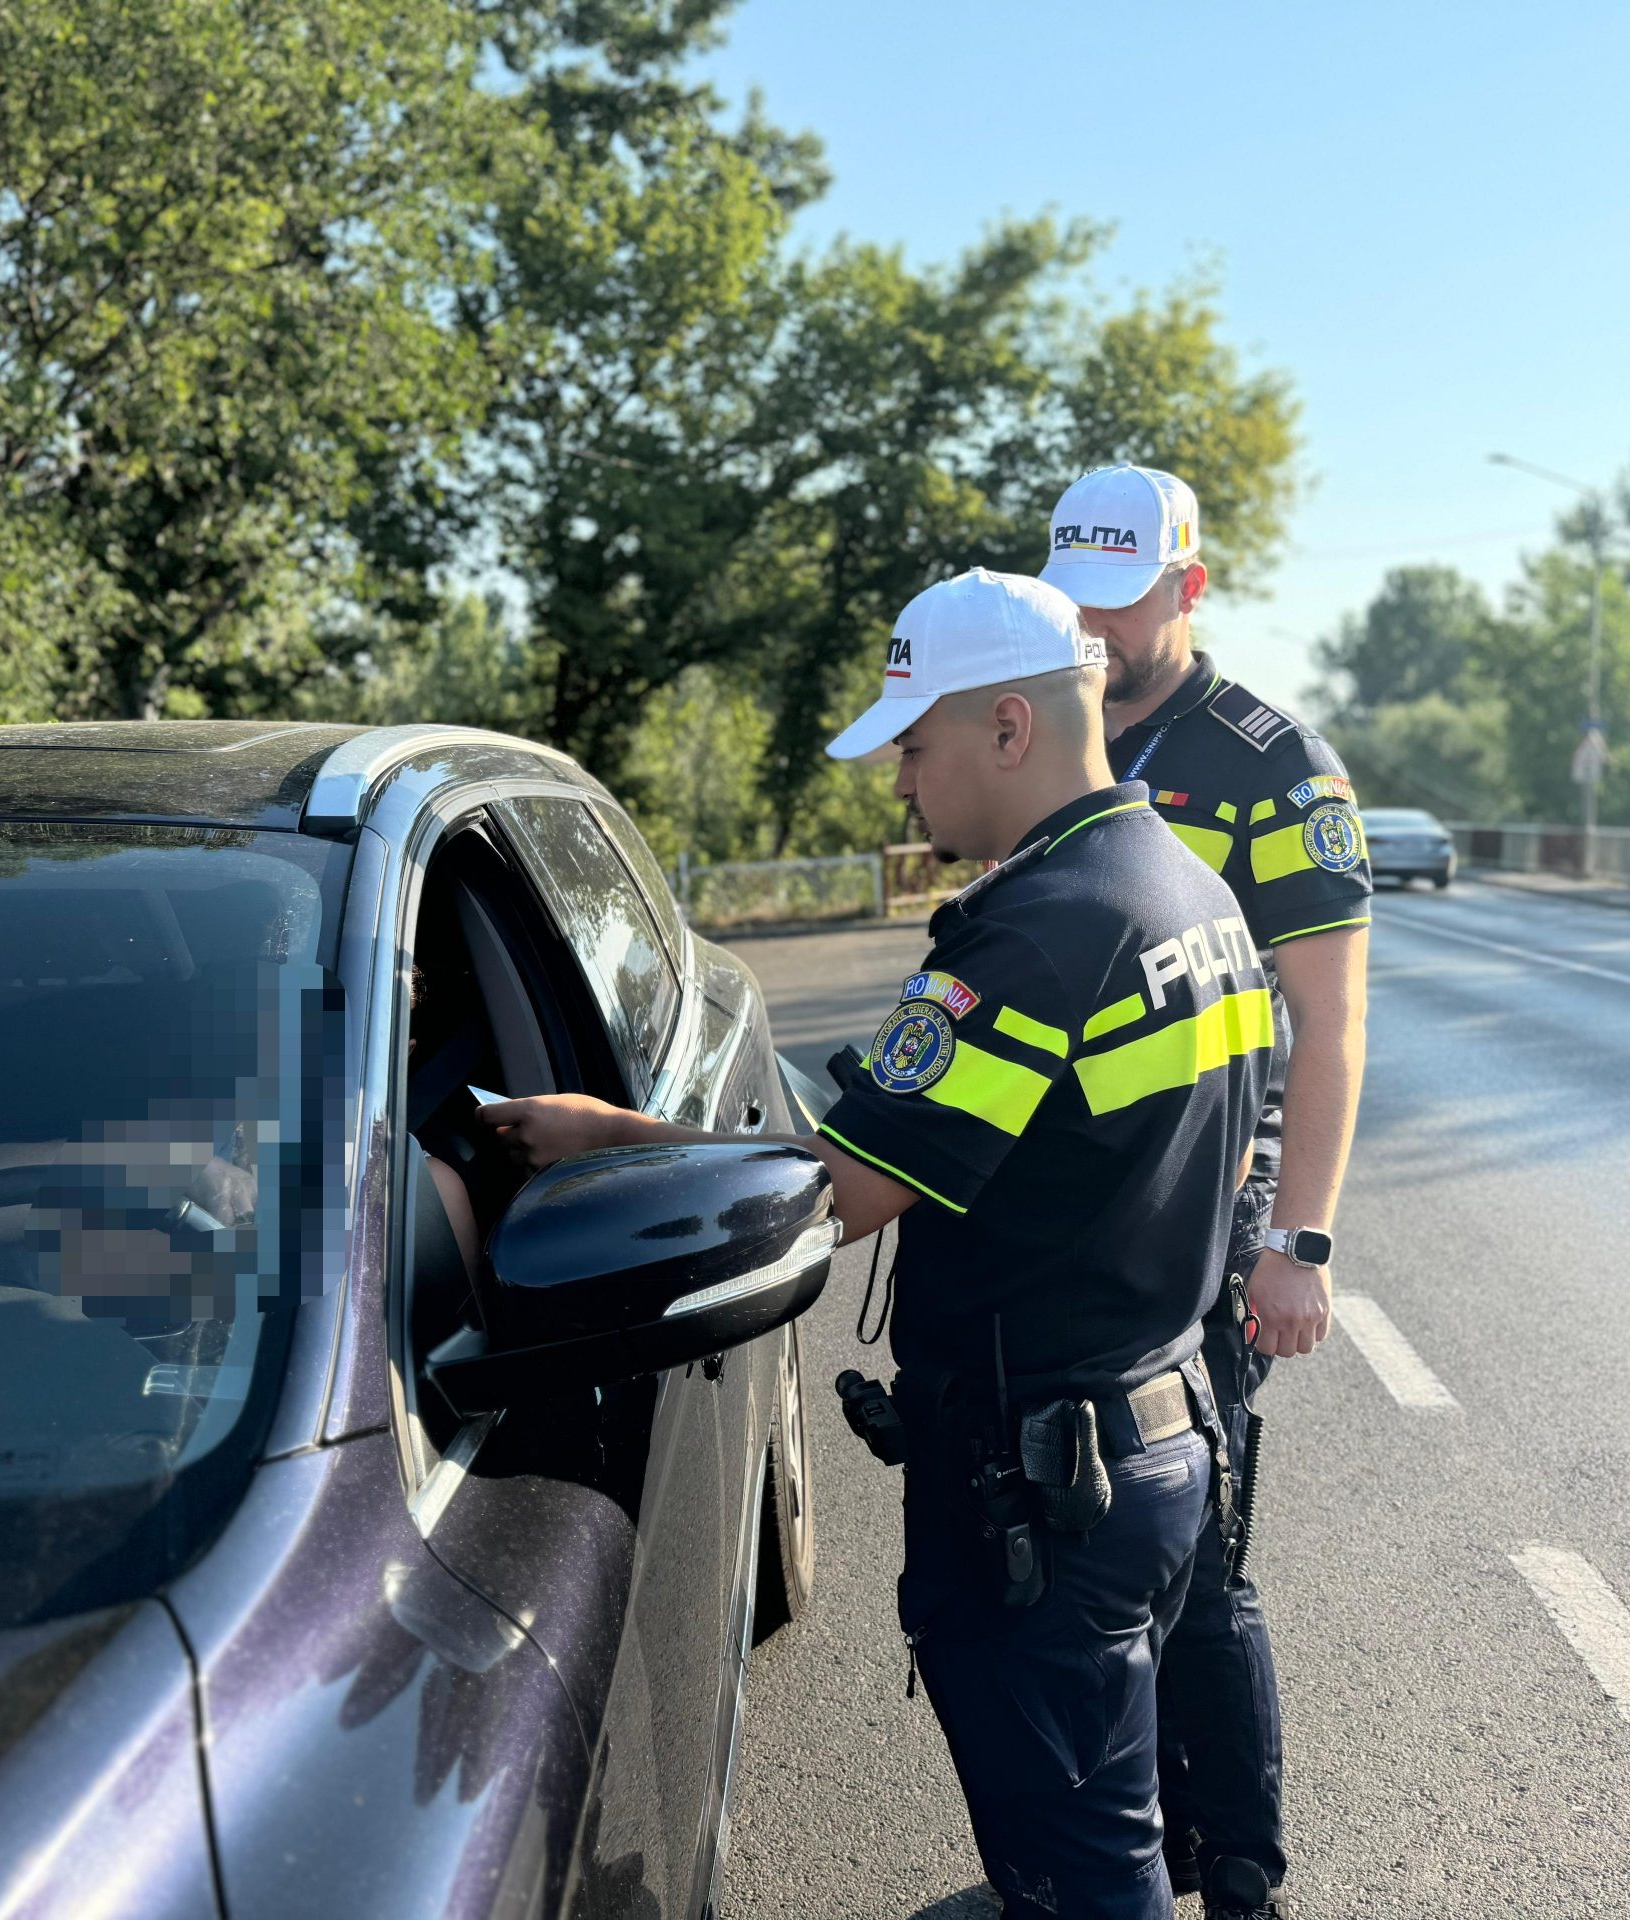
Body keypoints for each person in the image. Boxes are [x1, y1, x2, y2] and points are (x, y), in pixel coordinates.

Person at [483, 567, 1273, 1920]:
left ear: (1009, 729)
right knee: (1106, 1825)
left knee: (1084, 1877)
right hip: (1158, 1438)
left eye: (914, 745)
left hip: (1049, 1481)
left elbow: (839, 1193)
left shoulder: (1031, 939)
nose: (899, 783)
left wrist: (608, 1140)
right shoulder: (1183, 889)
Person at [1042, 465, 1374, 1918]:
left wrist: (1297, 1242)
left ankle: (1236, 1868)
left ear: (1188, 587)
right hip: (1067, 1216)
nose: (1098, 627)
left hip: (1209, 1220)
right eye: (1077, 596)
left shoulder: (1267, 763)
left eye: (1125, 595)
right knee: (1073, 1553)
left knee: (1200, 1558)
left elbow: (1334, 1020)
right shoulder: (1042, 725)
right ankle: (1115, 1847)